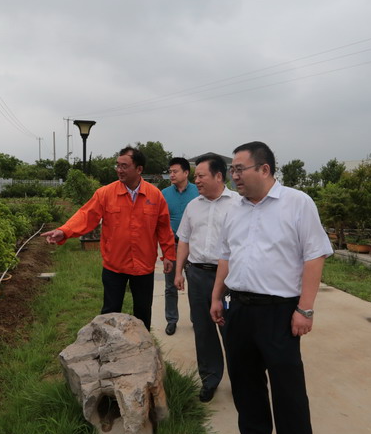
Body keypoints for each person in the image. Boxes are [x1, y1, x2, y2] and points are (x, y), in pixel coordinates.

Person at [209, 141, 332, 434]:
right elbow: (226, 255)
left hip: (280, 312)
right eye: (232, 169)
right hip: (239, 309)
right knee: (245, 383)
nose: (234, 176)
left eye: (240, 169)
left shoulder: (297, 203)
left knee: (289, 394)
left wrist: (305, 308)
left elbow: (315, 255)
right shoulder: (234, 209)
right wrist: (217, 296)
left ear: (264, 169)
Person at [43, 146, 175, 330]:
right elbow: (86, 216)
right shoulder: (105, 193)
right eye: (117, 165)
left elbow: (163, 227)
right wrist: (64, 231)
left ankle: (143, 345)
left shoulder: (154, 195)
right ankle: (107, 344)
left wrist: (168, 254)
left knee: (143, 310)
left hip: (143, 265)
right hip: (115, 264)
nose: (119, 170)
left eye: (124, 166)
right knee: (110, 312)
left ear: (139, 169)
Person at [174, 154, 238, 402]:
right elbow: (184, 240)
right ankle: (210, 379)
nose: (196, 180)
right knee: (203, 329)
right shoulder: (193, 206)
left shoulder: (238, 204)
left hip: (230, 281)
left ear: (219, 176)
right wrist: (179, 272)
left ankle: (240, 380)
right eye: (195, 176)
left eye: (201, 176)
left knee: (231, 328)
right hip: (198, 276)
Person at [161, 157, 199, 335]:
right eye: (170, 171)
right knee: (170, 286)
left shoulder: (198, 191)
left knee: (195, 285)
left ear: (186, 173)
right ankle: (171, 320)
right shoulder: (164, 194)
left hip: (194, 246)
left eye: (175, 171)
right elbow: (161, 221)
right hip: (172, 245)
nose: (171, 174)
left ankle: (196, 319)